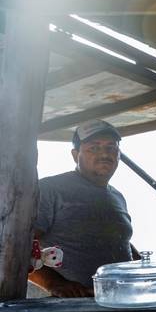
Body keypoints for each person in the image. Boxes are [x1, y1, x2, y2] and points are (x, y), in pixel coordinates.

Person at [29, 120, 138, 298]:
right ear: (75, 154)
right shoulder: (50, 189)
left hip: (122, 302)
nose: (104, 153)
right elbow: (15, 248)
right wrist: (55, 284)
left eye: (111, 147)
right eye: (94, 148)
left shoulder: (117, 197)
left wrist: (145, 270)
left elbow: (119, 241)